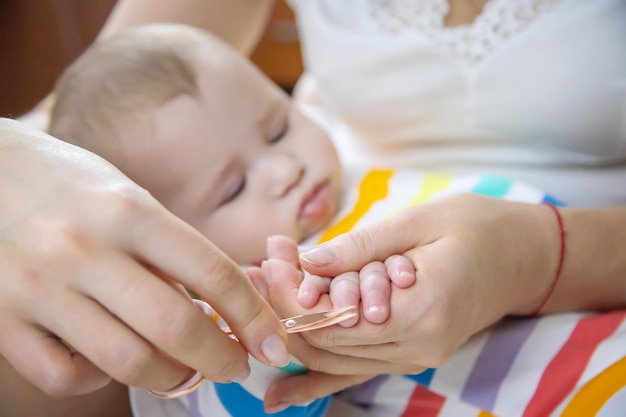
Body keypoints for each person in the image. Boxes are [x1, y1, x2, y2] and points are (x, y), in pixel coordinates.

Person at [5, 0, 625, 415]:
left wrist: (526, 252)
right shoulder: (230, 310)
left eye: (278, 127)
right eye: (232, 189)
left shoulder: (381, 187)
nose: (286, 169)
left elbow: (504, 202)